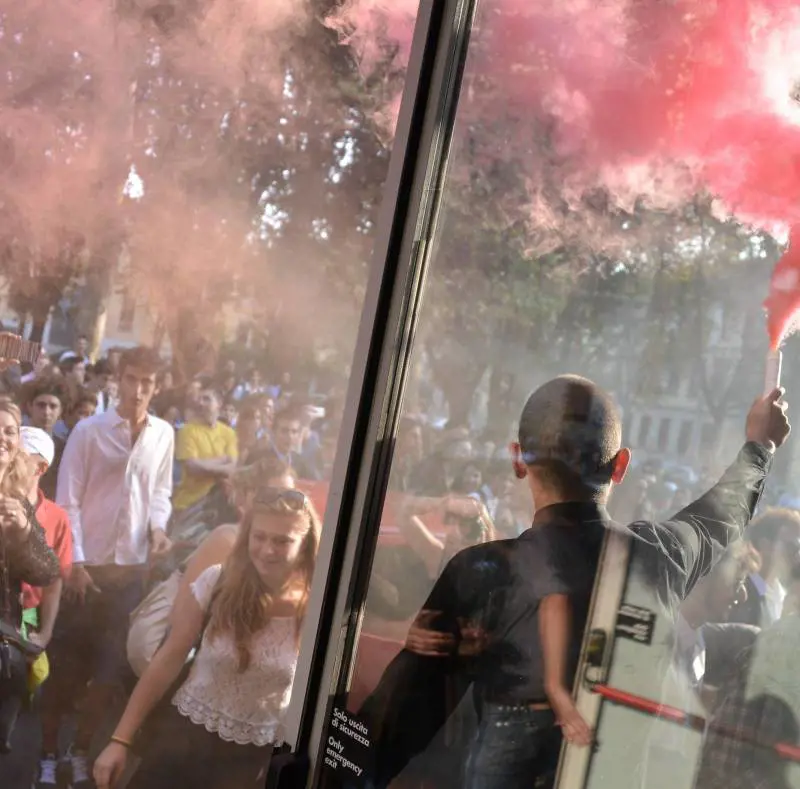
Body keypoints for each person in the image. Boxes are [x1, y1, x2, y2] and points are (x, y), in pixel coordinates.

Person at [358, 375, 790, 789]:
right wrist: (760, 445)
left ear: (517, 460)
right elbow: (719, 516)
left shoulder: (483, 574)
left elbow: (389, 730)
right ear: (621, 466)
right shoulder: (660, 559)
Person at [93, 486, 321, 789]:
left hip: (248, 763)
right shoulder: (217, 581)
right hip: (181, 740)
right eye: (260, 536)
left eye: (282, 541)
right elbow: (168, 657)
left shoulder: (317, 608)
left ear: (305, 545)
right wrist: (119, 740)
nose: (267, 550)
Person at [37, 347, 174, 789]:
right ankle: (46, 753)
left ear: (157, 387)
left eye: (147, 383)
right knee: (66, 668)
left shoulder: (163, 434)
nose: (137, 391)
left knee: (108, 671)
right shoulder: (89, 430)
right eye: (131, 380)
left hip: (129, 573)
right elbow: (68, 496)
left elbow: (160, 493)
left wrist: (158, 529)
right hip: (86, 570)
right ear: (118, 380)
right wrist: (74, 561)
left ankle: (81, 751)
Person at [0, 401, 61, 753]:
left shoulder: (18, 505)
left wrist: (22, 534)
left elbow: (46, 571)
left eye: (10, 431)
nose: (3, 438)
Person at [18, 427, 73, 652]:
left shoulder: (57, 517)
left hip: (26, 619)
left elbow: (55, 582)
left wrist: (44, 634)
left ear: (41, 468)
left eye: (21, 458)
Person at [727, 507, 800, 627]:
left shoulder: (783, 594)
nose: (797, 554)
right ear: (765, 545)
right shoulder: (740, 595)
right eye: (793, 545)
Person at [172, 387, 238, 514]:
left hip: (217, 506)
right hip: (188, 505)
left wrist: (203, 465)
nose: (201, 403)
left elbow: (232, 469)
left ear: (219, 403)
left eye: (207, 399)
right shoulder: (187, 431)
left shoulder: (229, 433)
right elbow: (192, 468)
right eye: (200, 399)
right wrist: (222, 460)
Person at [21, 376, 71, 500]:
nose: (46, 412)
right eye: (41, 405)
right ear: (29, 406)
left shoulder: (66, 449)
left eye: (53, 406)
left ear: (60, 411)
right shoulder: (14, 442)